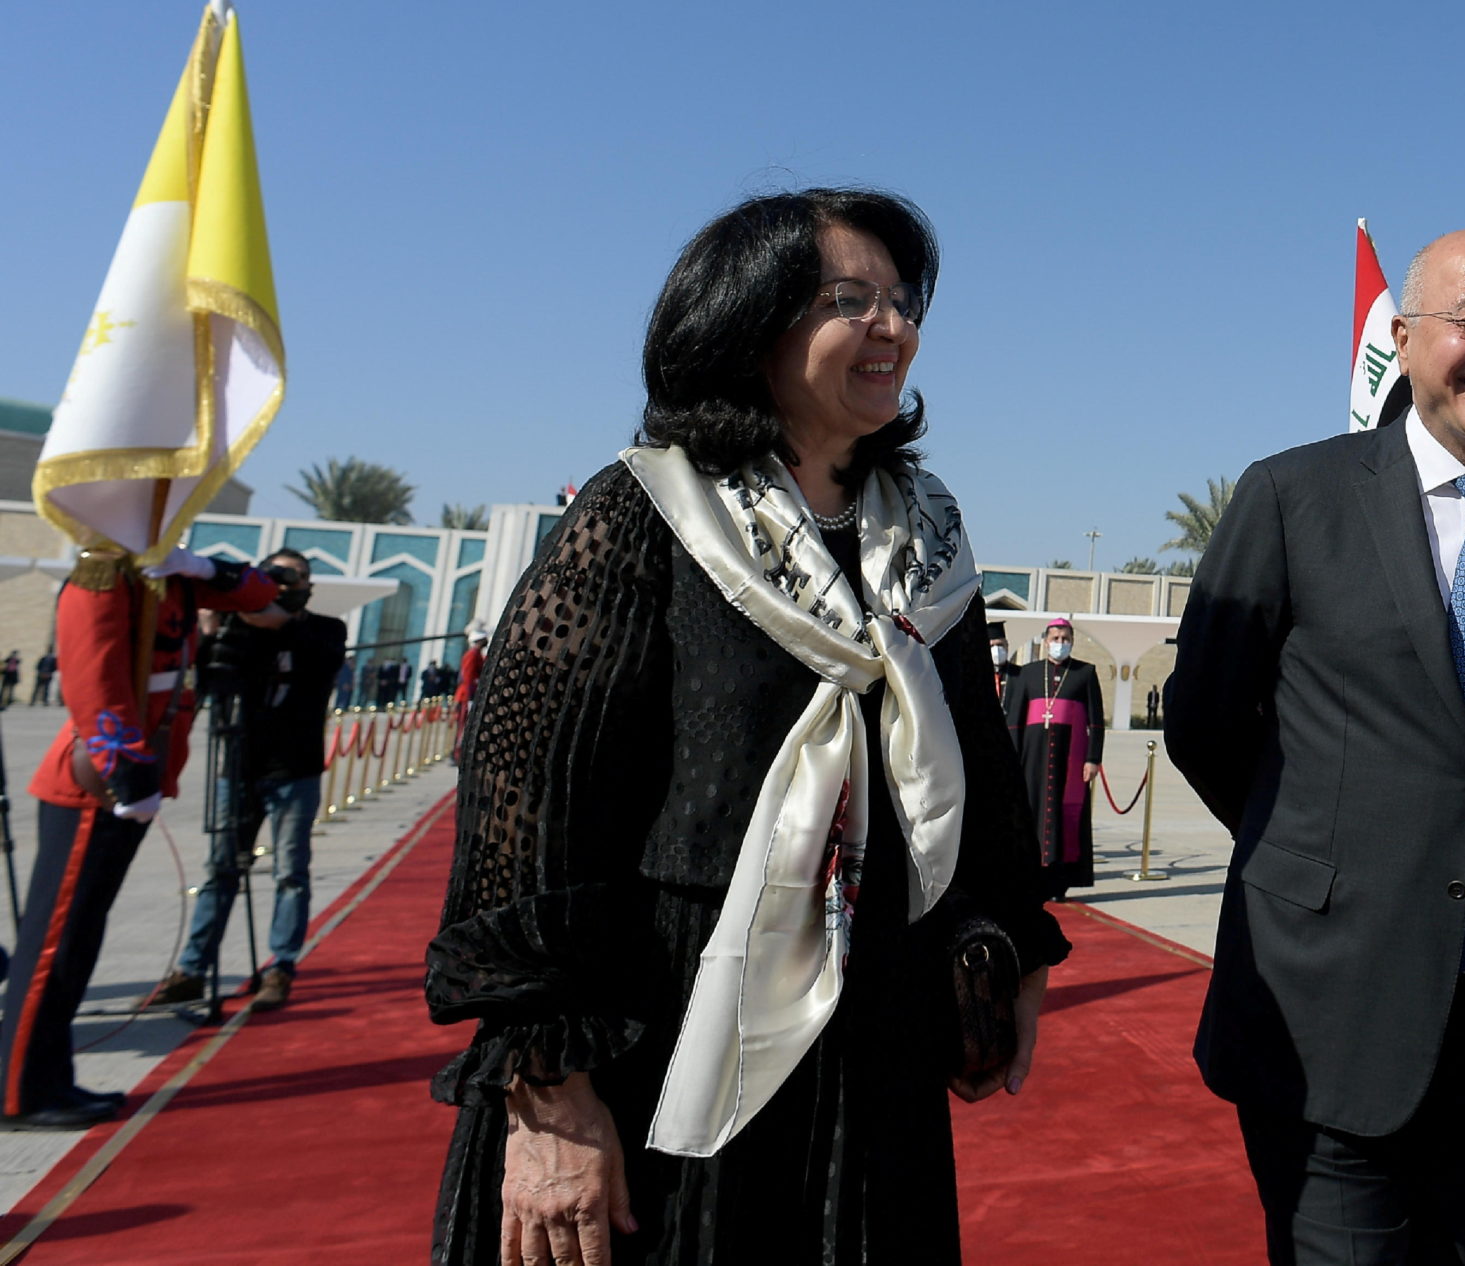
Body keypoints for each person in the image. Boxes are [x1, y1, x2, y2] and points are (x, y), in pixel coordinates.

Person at [426, 187, 1067, 1266]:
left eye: (903, 301)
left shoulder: (928, 536)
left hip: (874, 1039)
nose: (892, 325)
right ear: (747, 320)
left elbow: (977, 759)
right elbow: (527, 808)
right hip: (667, 1031)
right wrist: (552, 1087)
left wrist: (1000, 939)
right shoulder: (648, 511)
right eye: (849, 298)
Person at [1167, 228, 1465, 1266]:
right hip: (1323, 1001)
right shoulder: (1293, 497)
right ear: (1402, 337)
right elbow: (1205, 717)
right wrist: (1325, 849)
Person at [1, 544, 275, 1129]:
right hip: (98, 782)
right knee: (54, 944)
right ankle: (16, 1089)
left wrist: (204, 568)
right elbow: (92, 679)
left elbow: (260, 593)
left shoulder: (166, 574)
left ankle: (49, 1077)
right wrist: (124, 768)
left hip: (141, 772)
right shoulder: (102, 573)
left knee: (79, 941)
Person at [147, 548, 347, 1014]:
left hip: (293, 770)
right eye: (273, 575)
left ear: (308, 584)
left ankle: (281, 966)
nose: (282, 583)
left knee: (289, 873)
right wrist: (212, 628)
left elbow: (320, 660)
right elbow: (206, 682)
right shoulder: (235, 627)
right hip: (236, 766)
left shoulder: (324, 629)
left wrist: (275, 620)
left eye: (293, 576)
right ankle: (193, 970)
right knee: (220, 871)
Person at [1005, 617, 1106, 900]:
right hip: (1032, 760)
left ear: (1071, 642)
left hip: (1070, 760)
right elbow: (1015, 721)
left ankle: (1060, 881)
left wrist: (1092, 758)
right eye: (1055, 638)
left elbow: (1096, 722)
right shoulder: (1028, 673)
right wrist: (1012, 759)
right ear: (1045, 641)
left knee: (1065, 820)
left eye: (1065, 639)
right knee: (1031, 816)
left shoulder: (1085, 672)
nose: (1059, 643)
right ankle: (1031, 878)